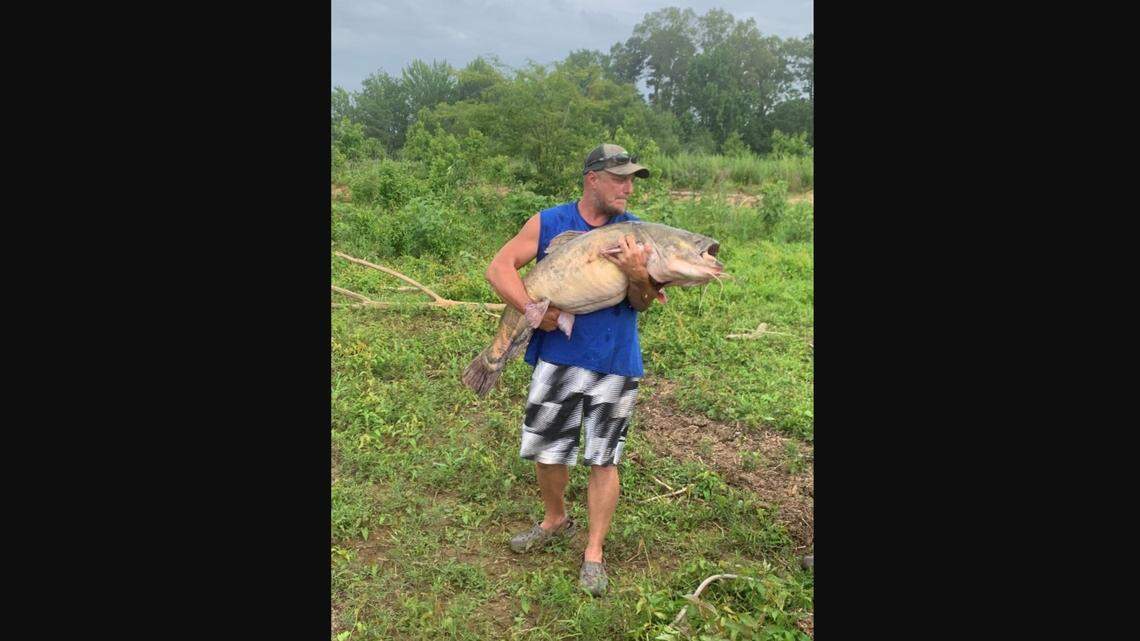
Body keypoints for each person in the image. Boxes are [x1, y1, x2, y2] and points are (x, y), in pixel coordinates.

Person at [484, 144, 662, 596]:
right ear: (592, 179)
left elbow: (642, 302)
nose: (627, 187)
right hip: (557, 359)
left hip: (616, 361)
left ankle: (594, 553)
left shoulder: (635, 235)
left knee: (605, 458)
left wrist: (638, 274)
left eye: (632, 180)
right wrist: (528, 308)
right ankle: (554, 519)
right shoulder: (549, 222)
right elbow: (499, 267)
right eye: (619, 178)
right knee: (548, 453)